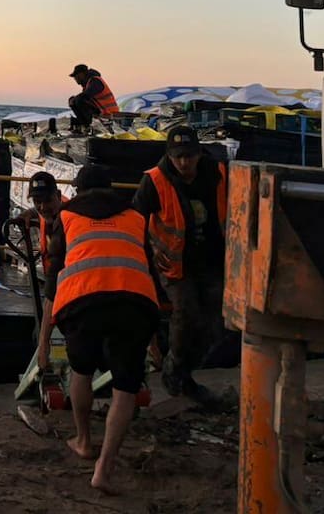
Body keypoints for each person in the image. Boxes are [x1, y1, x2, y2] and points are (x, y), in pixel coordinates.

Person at [38, 162, 159, 493]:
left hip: (82, 301)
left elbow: (52, 281)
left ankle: (84, 441)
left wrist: (44, 342)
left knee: (82, 372)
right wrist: (156, 337)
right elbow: (146, 266)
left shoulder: (67, 217)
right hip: (134, 303)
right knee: (125, 389)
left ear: (77, 191)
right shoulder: (135, 216)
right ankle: (104, 469)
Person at [133, 123, 227, 401]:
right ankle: (176, 372)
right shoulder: (154, 180)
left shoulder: (220, 174)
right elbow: (136, 221)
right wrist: (145, 262)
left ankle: (184, 370)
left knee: (215, 323)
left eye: (189, 156)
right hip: (174, 265)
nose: (184, 162)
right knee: (185, 315)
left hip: (212, 261)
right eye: (178, 157)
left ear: (199, 154)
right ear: (169, 156)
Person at [26, 170, 64, 298]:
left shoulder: (70, 222)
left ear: (58, 196)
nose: (42, 207)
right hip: (53, 284)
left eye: (47, 201)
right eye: (37, 201)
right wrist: (29, 213)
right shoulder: (48, 213)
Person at [68, 64, 119, 132]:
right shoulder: (87, 84)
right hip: (102, 111)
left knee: (78, 100)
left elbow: (87, 95)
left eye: (76, 76)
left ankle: (87, 126)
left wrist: (75, 99)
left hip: (109, 112)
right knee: (74, 100)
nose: (75, 79)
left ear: (82, 74)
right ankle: (84, 125)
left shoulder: (95, 81)